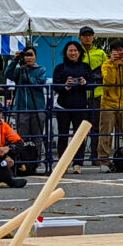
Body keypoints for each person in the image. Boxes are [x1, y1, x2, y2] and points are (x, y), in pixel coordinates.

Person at [52, 41, 93, 173]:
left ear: (80, 52)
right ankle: (62, 163)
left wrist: (84, 82)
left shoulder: (86, 67)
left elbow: (93, 84)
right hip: (63, 106)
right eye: (70, 50)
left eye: (75, 50)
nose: (73, 53)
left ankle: (78, 163)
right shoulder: (59, 68)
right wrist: (66, 85)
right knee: (62, 135)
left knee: (79, 135)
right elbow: (55, 86)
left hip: (80, 106)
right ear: (65, 52)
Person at [4, 46, 48, 170]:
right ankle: (23, 160)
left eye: (31, 54)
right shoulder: (19, 70)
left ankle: (36, 160)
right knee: (21, 136)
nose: (28, 58)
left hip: (37, 107)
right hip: (21, 107)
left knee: (37, 136)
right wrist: (15, 60)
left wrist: (26, 77)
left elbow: (40, 83)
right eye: (26, 55)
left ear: (35, 57)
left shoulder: (41, 69)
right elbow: (7, 74)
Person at [97, 41, 123, 170]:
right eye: (116, 50)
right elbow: (110, 81)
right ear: (111, 52)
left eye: (122, 50)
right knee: (106, 133)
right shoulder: (106, 64)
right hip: (108, 104)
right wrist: (113, 65)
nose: (120, 52)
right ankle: (104, 161)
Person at [78, 27, 108, 164]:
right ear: (79, 37)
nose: (87, 38)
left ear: (93, 37)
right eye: (84, 36)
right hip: (81, 94)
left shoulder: (100, 53)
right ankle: (79, 157)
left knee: (96, 127)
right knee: (81, 128)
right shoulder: (76, 51)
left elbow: (106, 69)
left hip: (97, 94)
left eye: (90, 35)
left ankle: (95, 156)